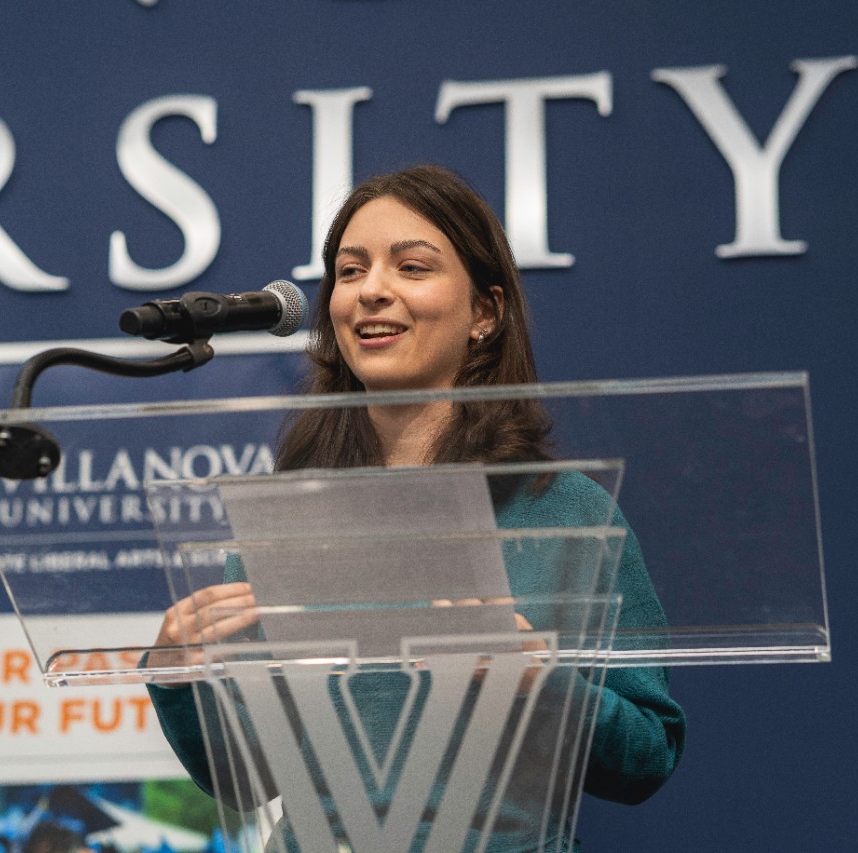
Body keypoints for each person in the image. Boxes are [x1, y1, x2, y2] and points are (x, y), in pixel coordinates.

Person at [147, 164, 685, 851]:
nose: (372, 290)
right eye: (350, 271)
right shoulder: (288, 517)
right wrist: (178, 673)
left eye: (412, 267)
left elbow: (647, 754)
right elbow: (244, 776)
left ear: (485, 313)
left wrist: (538, 678)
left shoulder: (567, 510)